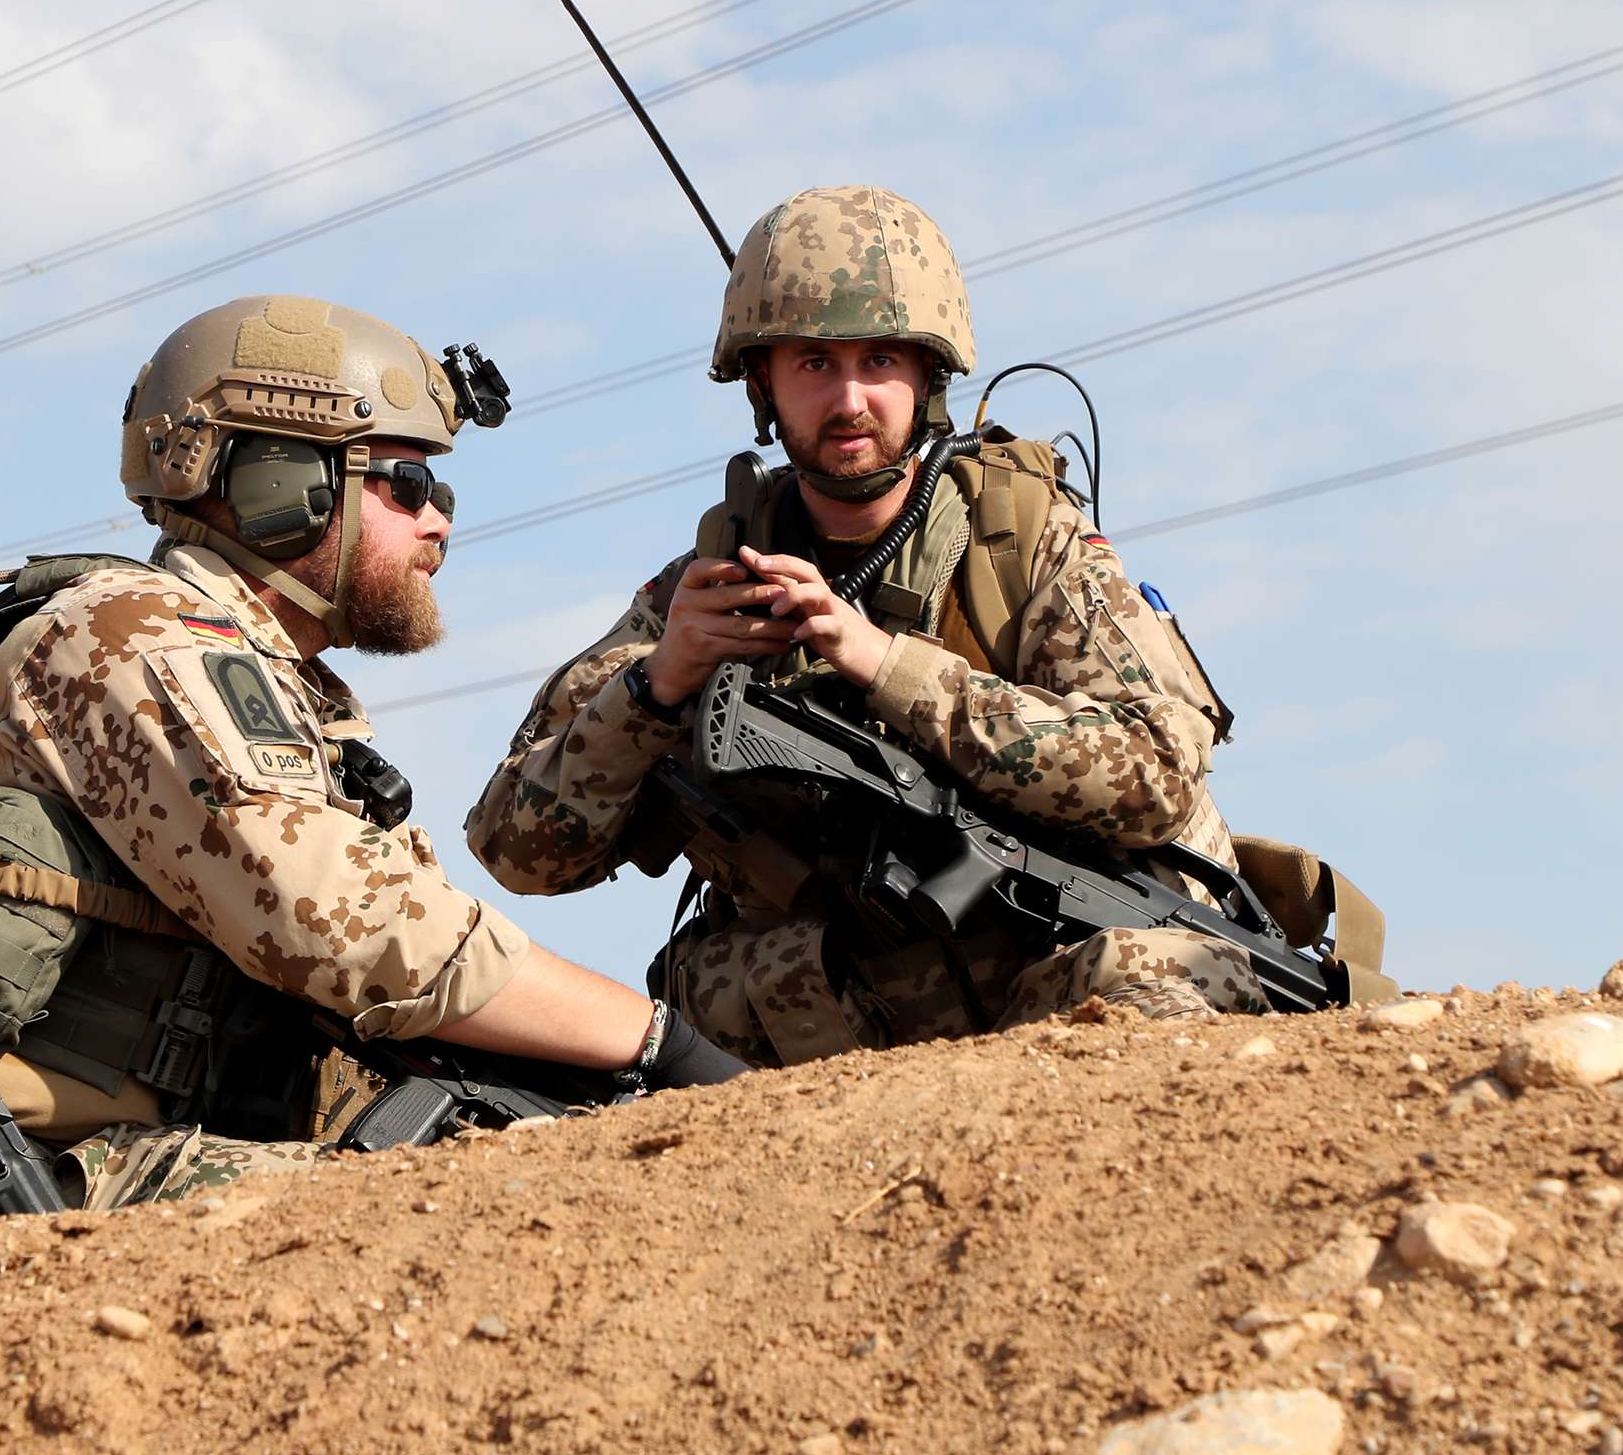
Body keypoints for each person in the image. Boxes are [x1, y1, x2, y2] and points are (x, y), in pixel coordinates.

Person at [0, 294, 743, 1222]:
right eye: (406, 481)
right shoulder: (131, 640)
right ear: (280, 485)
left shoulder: (270, 687)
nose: (440, 517)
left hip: (91, 1165)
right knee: (495, 1206)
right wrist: (668, 1048)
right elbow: (355, 930)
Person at [466, 186, 1357, 1067]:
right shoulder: (709, 590)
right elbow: (514, 850)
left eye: (880, 361)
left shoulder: (1021, 543)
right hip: (844, 1043)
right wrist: (656, 688)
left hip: (1057, 990)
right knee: (705, 997)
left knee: (1148, 983)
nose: (849, 399)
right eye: (813, 363)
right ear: (761, 384)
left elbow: (1157, 772)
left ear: (928, 375)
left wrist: (884, 662)